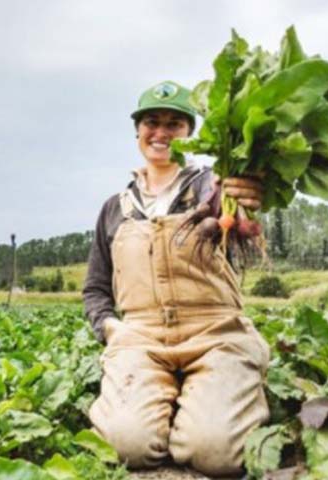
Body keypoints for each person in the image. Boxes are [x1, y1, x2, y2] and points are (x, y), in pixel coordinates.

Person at [83, 80, 270, 477]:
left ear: (190, 134)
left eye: (175, 124)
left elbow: (230, 204)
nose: (162, 133)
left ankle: (224, 388)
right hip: (142, 339)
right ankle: (174, 400)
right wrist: (110, 328)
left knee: (214, 452)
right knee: (125, 444)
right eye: (152, 122)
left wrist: (244, 192)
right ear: (138, 131)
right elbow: (96, 288)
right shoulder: (115, 208)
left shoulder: (209, 185)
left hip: (214, 333)